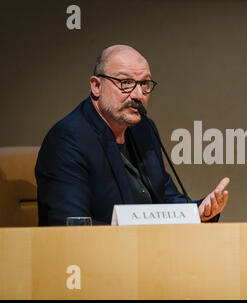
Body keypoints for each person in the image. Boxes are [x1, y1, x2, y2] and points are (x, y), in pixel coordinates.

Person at [35, 44, 230, 226]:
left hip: (145, 252)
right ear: (96, 86)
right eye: (125, 82)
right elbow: (72, 225)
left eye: (144, 84)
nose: (138, 95)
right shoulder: (67, 140)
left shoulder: (143, 129)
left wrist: (200, 211)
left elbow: (165, 198)